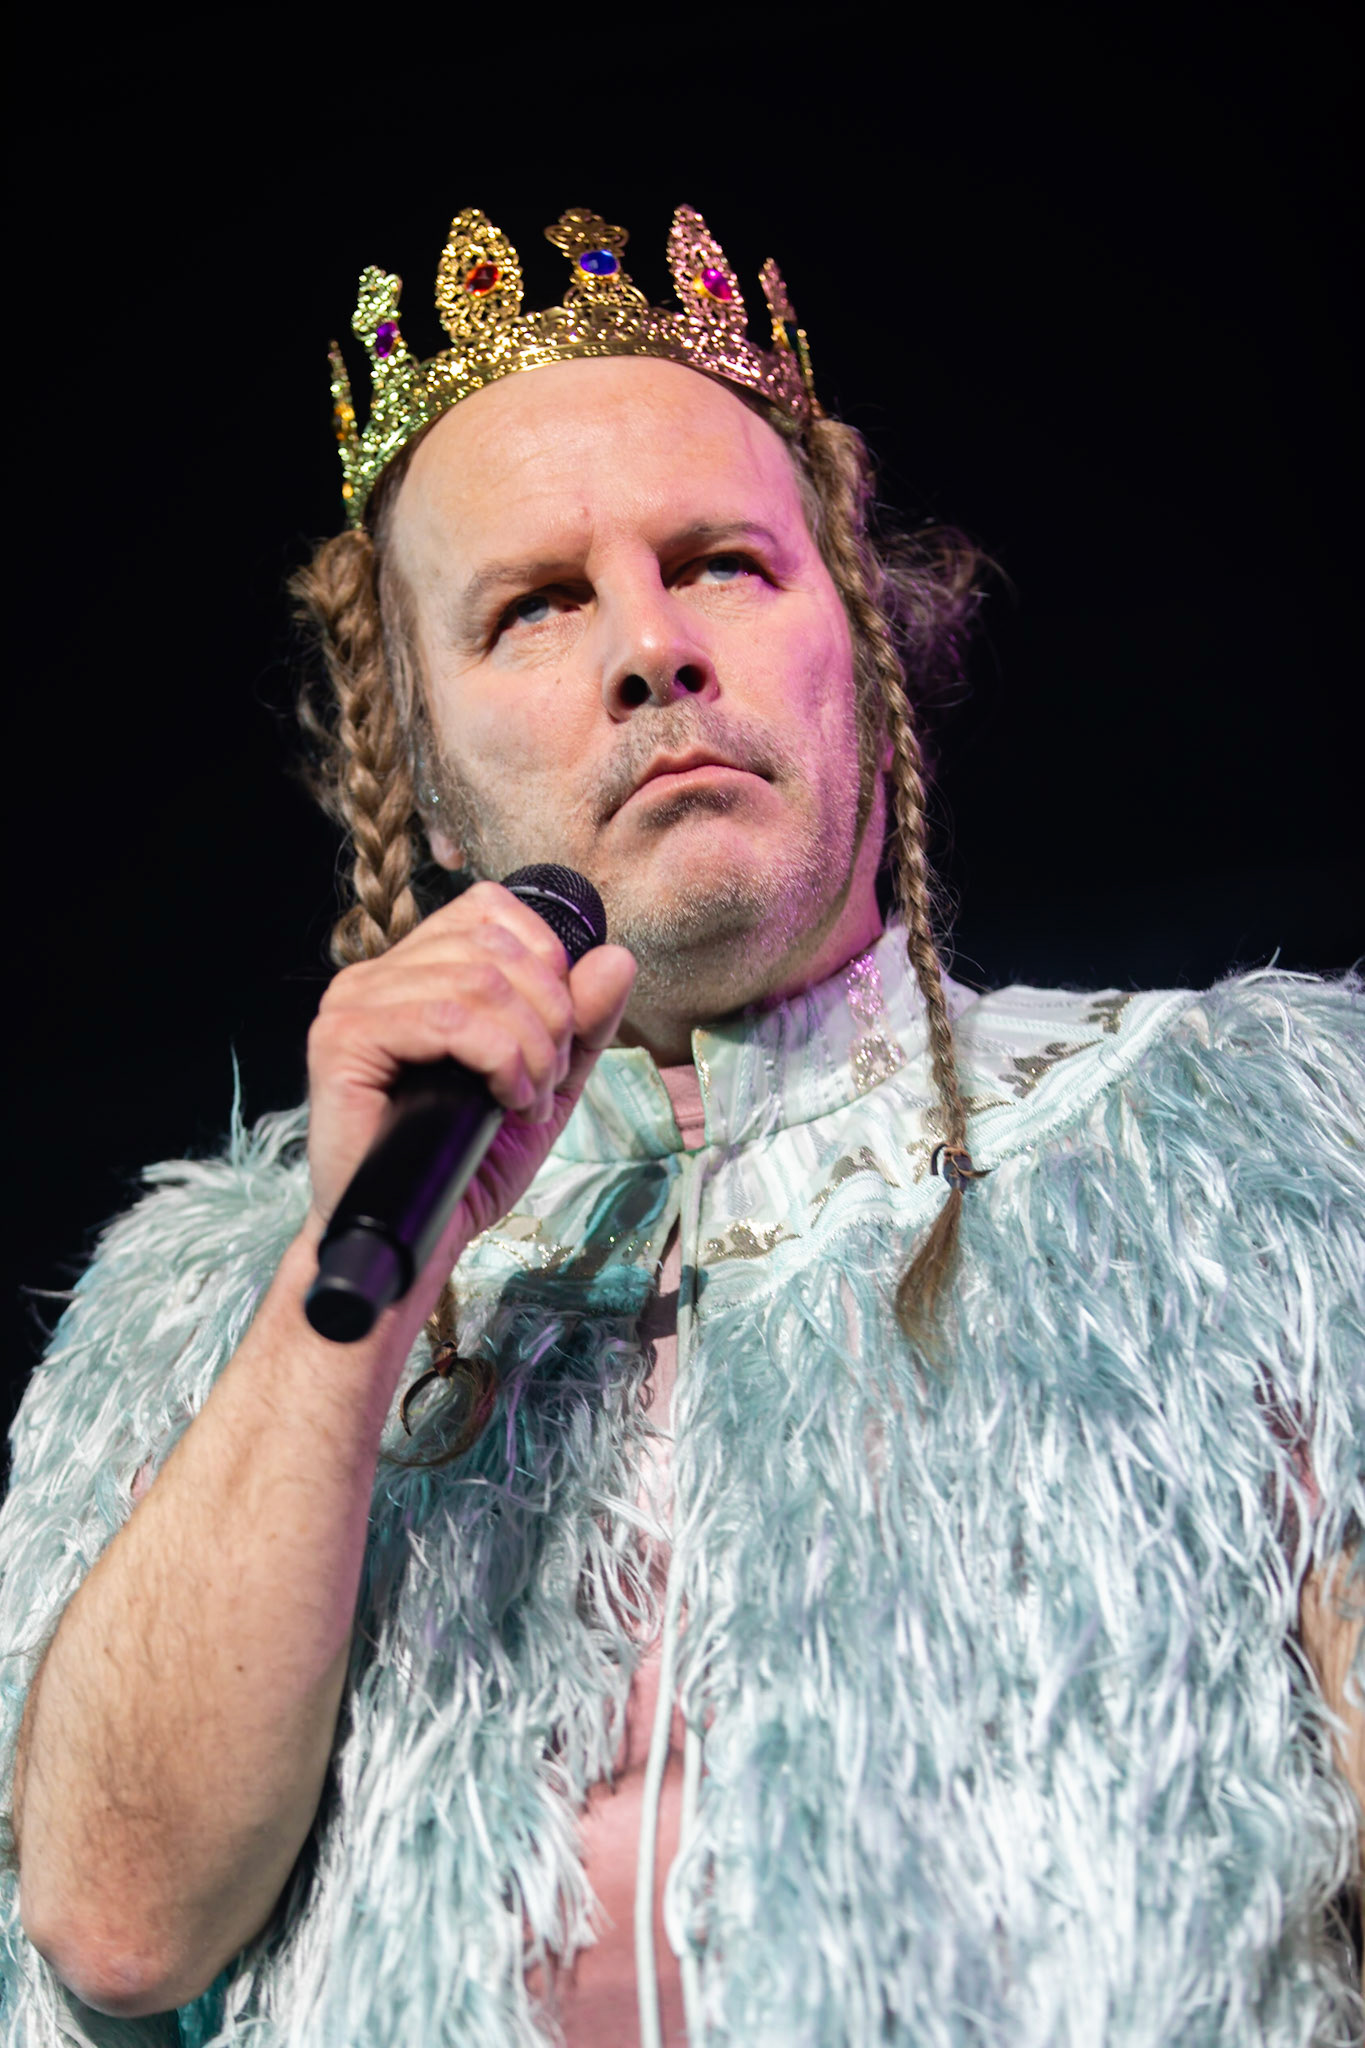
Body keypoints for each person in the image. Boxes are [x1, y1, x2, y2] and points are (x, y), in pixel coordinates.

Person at [1, 203, 1361, 2048]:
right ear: (424, 772)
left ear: (859, 645)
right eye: (537, 605)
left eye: (720, 563)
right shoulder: (198, 1312)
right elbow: (111, 1926)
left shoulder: (1256, 1160)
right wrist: (347, 1291)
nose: (650, 648)